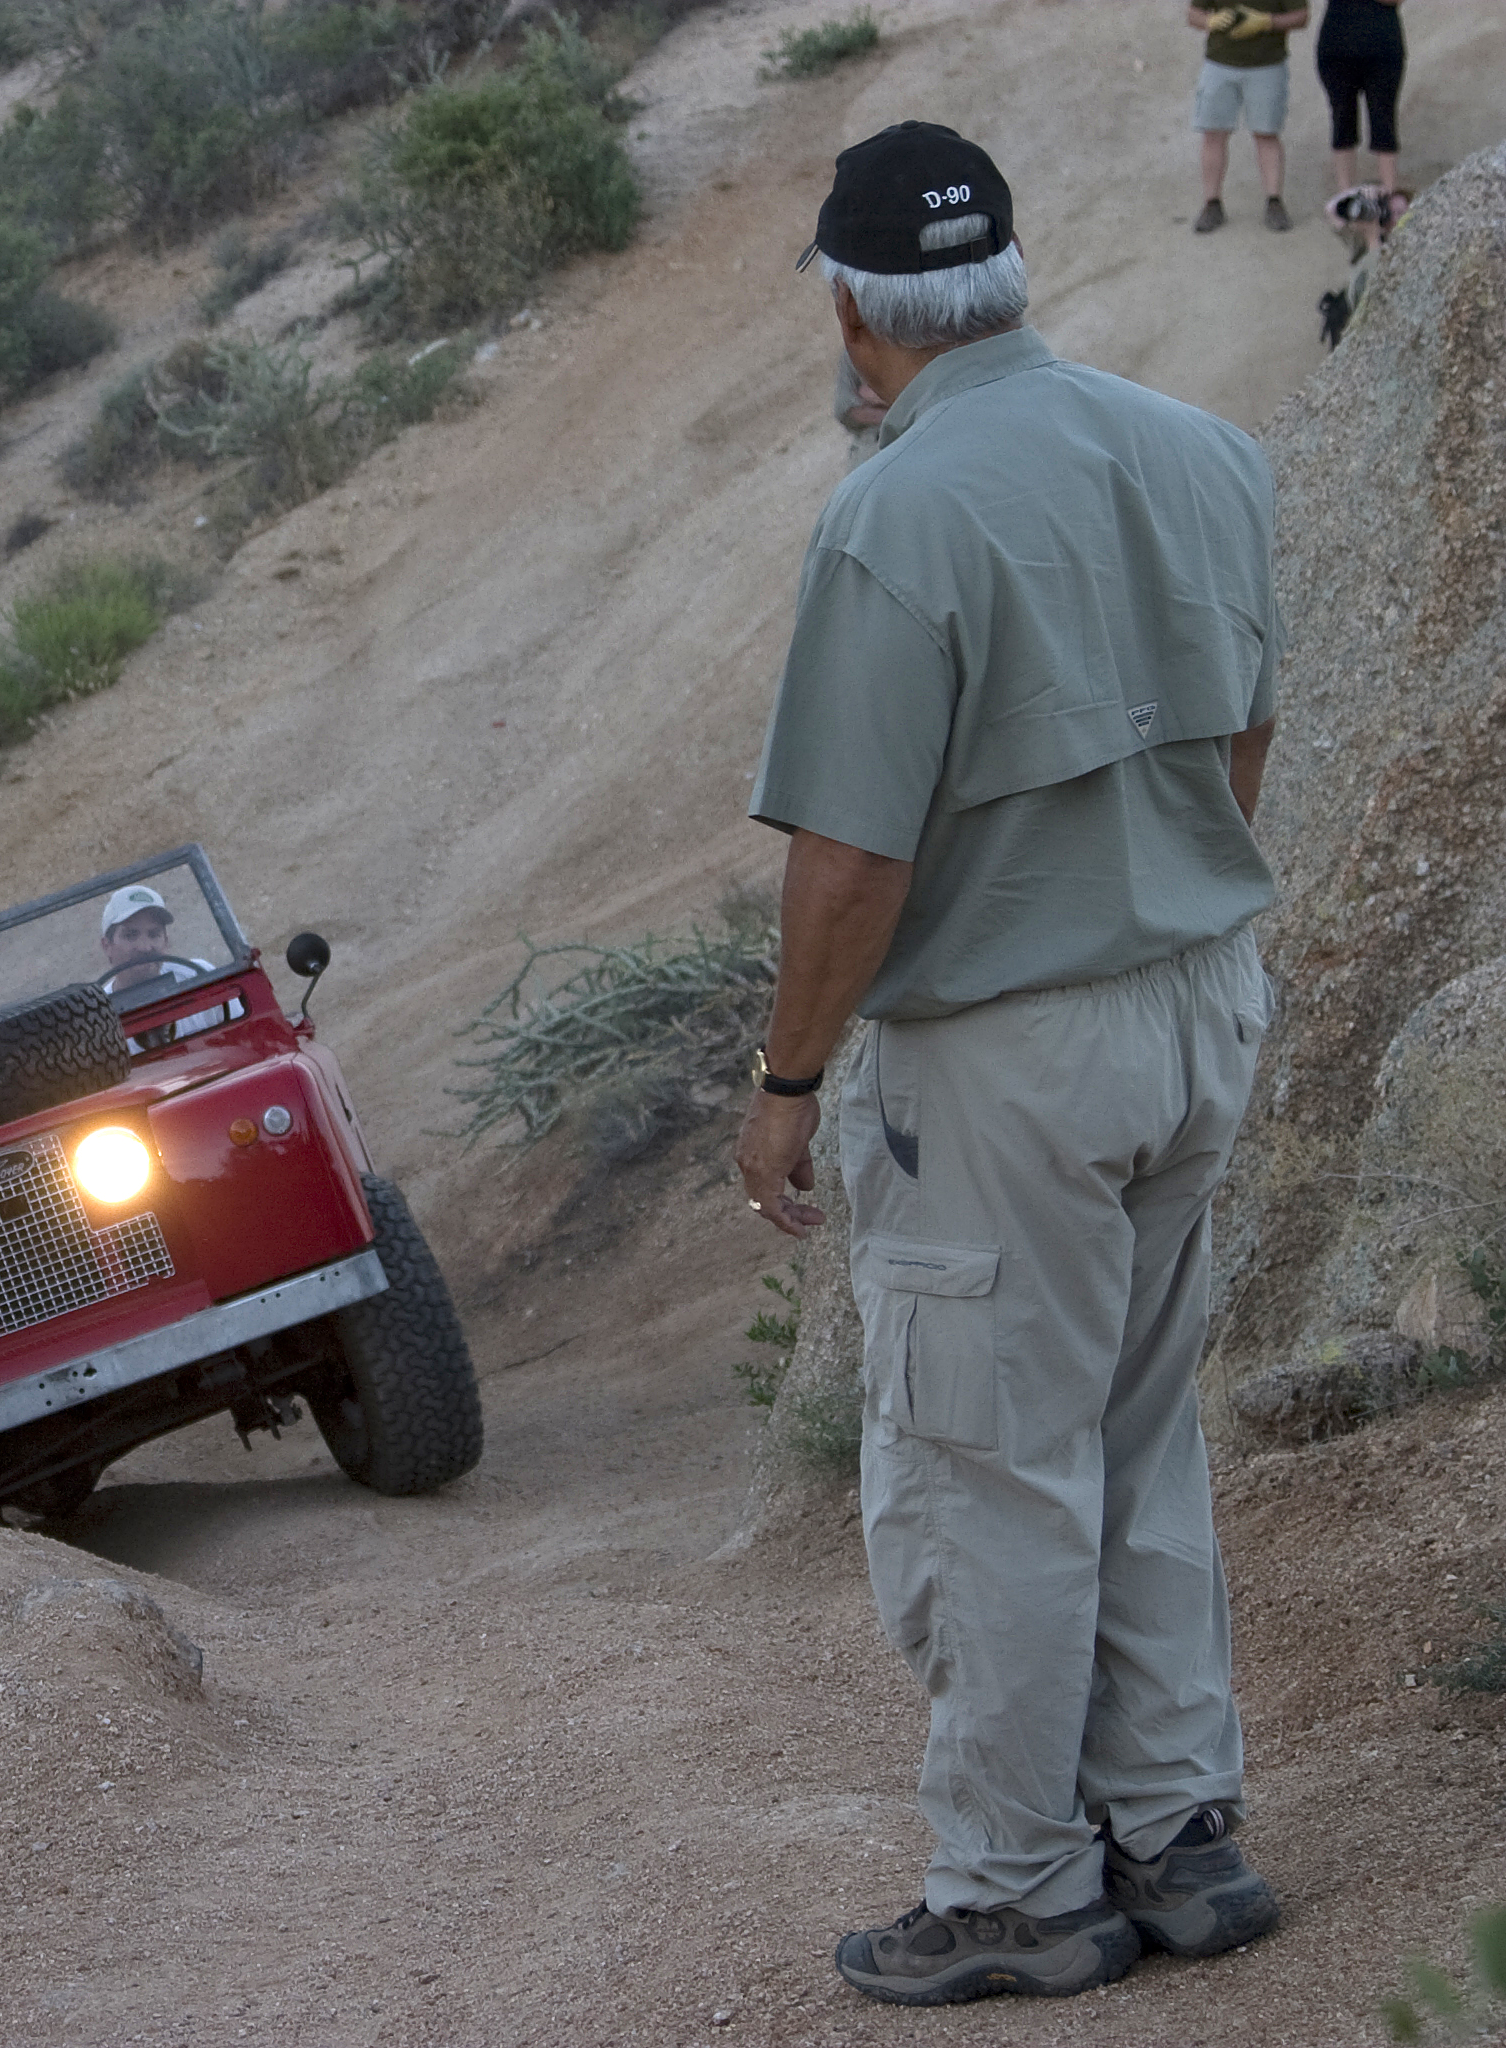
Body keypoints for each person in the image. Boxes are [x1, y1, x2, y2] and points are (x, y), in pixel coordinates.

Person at [749, 122, 1284, 2007]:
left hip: (1006, 1057)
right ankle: (1177, 1828)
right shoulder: (1202, 450)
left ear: (853, 313)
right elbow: (1242, 739)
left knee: (987, 1462)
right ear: (1006, 278)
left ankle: (1013, 1885)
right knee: (1138, 1427)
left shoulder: (892, 516)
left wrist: (787, 1082)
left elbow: (851, 861)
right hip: (1194, 998)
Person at [1187, 1, 1311, 232]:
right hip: (1219, 63)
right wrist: (1209, 21)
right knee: (1213, 133)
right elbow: (1193, 14)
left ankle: (1274, 201)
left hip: (1267, 65)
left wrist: (1267, 22)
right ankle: (1212, 203)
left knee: (1266, 134)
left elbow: (1301, 16)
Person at [95, 884, 229, 1044]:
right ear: (107, 946)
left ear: (166, 941)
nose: (144, 947)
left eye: (154, 934)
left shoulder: (198, 976)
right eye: (130, 935)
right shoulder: (97, 1018)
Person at [1315, 0, 1406, 200]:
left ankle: (1389, 198)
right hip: (1336, 48)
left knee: (1384, 120)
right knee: (1342, 119)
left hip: (1383, 49)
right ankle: (1345, 198)